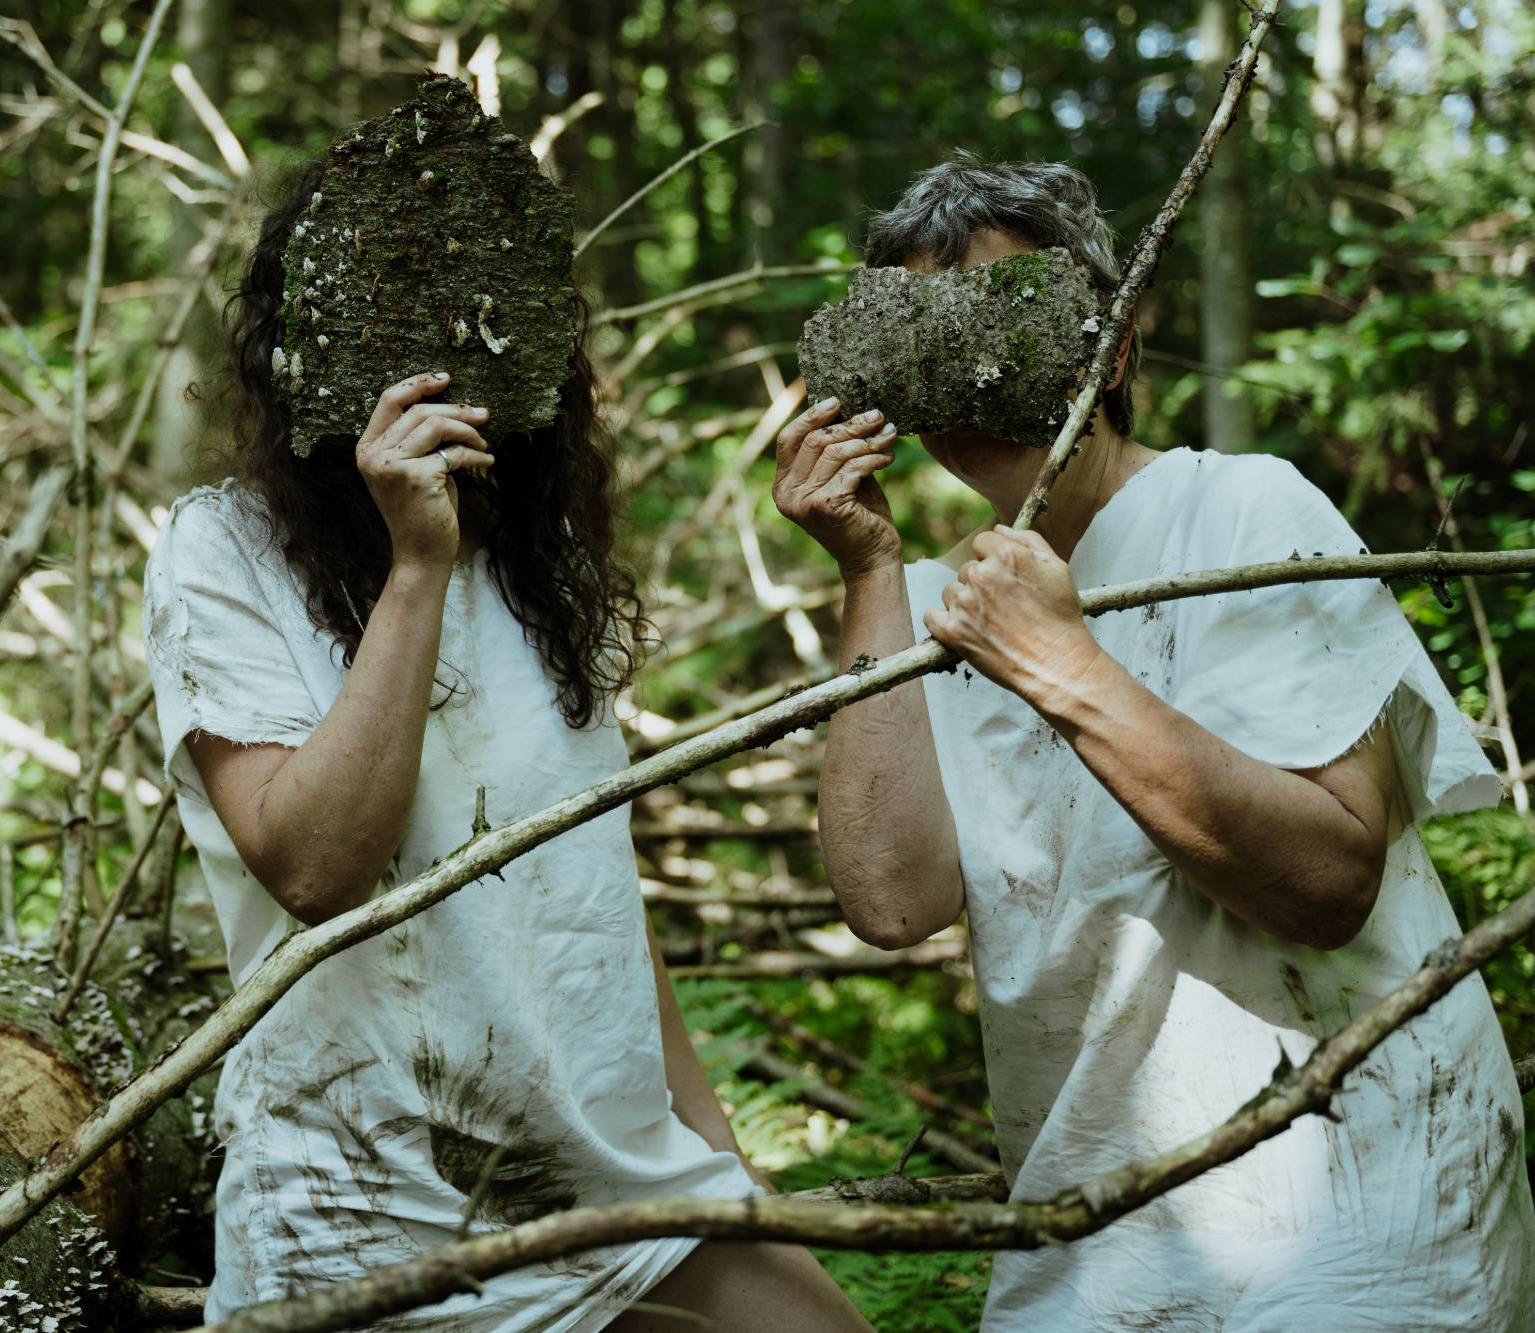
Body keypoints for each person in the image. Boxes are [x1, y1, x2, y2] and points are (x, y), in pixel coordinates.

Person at [773, 156, 1535, 1330]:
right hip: (1098, 1230)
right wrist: (869, 568)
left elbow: (1328, 880)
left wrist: (1064, 668)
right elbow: (887, 895)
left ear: (1110, 349)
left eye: (1001, 321)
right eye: (922, 335)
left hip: (1351, 1213)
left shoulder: (1241, 510)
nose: (966, 371)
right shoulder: (936, 605)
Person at [143, 161, 872, 1332]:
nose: (442, 340)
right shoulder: (217, 547)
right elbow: (315, 868)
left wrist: (718, 1162)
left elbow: (583, 885)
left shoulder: (542, 563)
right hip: (363, 1195)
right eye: (394, 291)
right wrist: (415, 566)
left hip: (613, 1168)